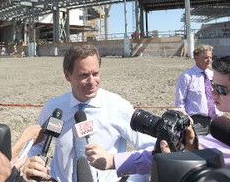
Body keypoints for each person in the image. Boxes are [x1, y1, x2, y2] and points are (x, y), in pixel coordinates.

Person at [24, 44, 155, 181]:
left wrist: (114, 161)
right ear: (67, 75)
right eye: (84, 75)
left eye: (96, 74)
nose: (92, 81)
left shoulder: (118, 107)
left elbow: (152, 148)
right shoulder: (53, 108)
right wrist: (32, 163)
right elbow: (36, 144)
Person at [87, 55, 230, 178]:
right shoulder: (222, 131)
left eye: (221, 89)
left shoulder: (224, 134)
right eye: (213, 85)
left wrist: (113, 160)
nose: (213, 93)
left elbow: (159, 156)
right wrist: (194, 148)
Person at [175, 44, 223, 135]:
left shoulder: (213, 75)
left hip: (215, 121)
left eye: (210, 57)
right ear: (196, 58)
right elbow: (179, 103)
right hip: (196, 122)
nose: (209, 60)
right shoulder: (186, 76)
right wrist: (187, 121)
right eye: (205, 58)